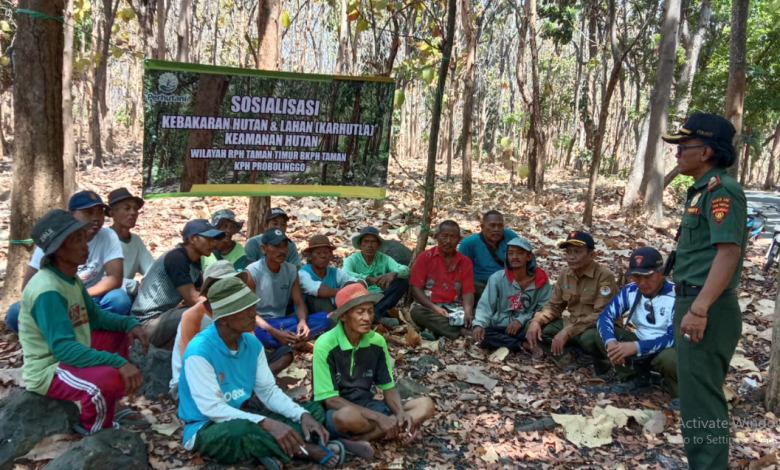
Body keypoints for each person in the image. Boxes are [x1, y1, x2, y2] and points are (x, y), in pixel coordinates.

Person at [177, 277, 345, 469]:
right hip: (206, 426)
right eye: (245, 309)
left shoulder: (252, 344)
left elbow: (268, 391)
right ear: (224, 318)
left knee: (313, 410)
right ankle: (306, 450)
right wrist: (267, 423)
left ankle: (267, 450)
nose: (253, 314)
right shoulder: (200, 351)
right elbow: (213, 409)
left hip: (245, 413)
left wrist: (301, 414)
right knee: (240, 430)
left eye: (252, 306)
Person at [662, 113, 747, 469]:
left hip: (706, 307)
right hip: (693, 300)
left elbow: (728, 254)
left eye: (685, 146)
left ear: (708, 151)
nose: (678, 153)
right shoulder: (700, 190)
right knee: (695, 396)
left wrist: (699, 309)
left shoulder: (722, 189)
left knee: (701, 400)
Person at [18, 209, 149, 435]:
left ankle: (111, 404)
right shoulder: (48, 289)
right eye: (76, 240)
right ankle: (96, 431)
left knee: (117, 333)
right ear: (58, 250)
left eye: (83, 237)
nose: (85, 245)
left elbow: (95, 316)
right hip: (49, 368)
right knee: (107, 378)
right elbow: (63, 349)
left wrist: (129, 323)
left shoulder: (70, 277)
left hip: (67, 354)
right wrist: (116, 362)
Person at [313, 283, 436, 448]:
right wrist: (379, 418)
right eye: (359, 312)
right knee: (346, 417)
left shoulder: (377, 341)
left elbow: (388, 387)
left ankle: (367, 437)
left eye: (370, 311)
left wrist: (399, 414)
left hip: (367, 404)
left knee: (425, 405)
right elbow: (331, 401)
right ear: (343, 316)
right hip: (339, 410)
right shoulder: (325, 344)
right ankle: (387, 429)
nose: (367, 317)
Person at [5, 190, 130, 332]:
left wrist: (79, 296)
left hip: (90, 298)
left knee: (119, 300)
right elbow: (29, 283)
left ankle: (77, 329)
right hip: (57, 300)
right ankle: (70, 329)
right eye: (88, 212)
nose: (96, 218)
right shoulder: (54, 239)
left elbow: (114, 278)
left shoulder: (107, 235)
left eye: (100, 212)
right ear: (71, 214)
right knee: (15, 313)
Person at [169, 260, 293, 399]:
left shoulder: (239, 311)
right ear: (210, 290)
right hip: (196, 378)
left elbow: (250, 345)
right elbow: (189, 362)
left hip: (233, 370)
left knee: (284, 355)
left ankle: (248, 390)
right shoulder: (192, 316)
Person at [595, 247, 678, 408]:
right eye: (636, 277)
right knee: (601, 336)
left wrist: (636, 347)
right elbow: (605, 316)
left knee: (669, 358)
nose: (641, 282)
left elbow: (674, 338)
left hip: (666, 349)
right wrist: (611, 342)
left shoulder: (676, 295)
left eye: (647, 276)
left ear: (660, 272)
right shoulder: (630, 290)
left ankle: (680, 394)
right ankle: (635, 379)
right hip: (640, 343)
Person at [525, 231, 617, 373]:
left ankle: (603, 366)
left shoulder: (605, 277)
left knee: (589, 338)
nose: (571, 257)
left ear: (592, 255)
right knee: (536, 328)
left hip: (597, 327)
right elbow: (554, 305)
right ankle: (572, 356)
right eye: (568, 252)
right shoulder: (565, 274)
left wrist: (568, 331)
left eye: (578, 252)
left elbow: (601, 315)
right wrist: (536, 321)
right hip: (574, 323)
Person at [131, 219, 225, 349]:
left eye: (214, 239)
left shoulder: (194, 262)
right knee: (201, 313)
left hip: (165, 318)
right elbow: (193, 299)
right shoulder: (176, 258)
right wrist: (226, 306)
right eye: (208, 238)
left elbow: (201, 292)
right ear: (192, 238)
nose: (213, 243)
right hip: (147, 323)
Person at [246, 229, 331, 350]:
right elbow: (249, 312)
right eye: (276, 246)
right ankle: (294, 341)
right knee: (257, 335)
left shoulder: (291, 271)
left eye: (284, 246)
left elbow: (299, 303)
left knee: (324, 318)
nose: (281, 251)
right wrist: (276, 332)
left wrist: (302, 322)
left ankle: (290, 341)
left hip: (284, 321)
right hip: (261, 323)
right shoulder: (252, 272)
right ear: (264, 248)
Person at [472, 238, 552, 353]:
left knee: (544, 330)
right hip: (501, 325)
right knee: (486, 334)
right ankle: (523, 345)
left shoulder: (541, 280)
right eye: (511, 253)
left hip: (526, 326)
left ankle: (513, 342)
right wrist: (479, 324)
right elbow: (486, 305)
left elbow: (544, 309)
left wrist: (520, 320)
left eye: (520, 253)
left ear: (529, 256)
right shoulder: (497, 278)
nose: (514, 257)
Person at [409, 220, 475, 340]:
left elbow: (468, 290)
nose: (448, 241)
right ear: (436, 237)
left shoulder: (465, 262)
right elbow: (416, 288)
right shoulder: (425, 257)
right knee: (417, 312)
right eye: (444, 236)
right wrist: (434, 308)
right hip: (429, 306)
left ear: (459, 239)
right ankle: (460, 331)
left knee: (474, 314)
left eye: (453, 237)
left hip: (455, 307)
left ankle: (435, 329)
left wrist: (468, 311)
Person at [342, 227, 410, 328]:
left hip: (381, 297)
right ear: (361, 244)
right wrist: (367, 278)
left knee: (402, 280)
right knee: (349, 285)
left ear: (378, 245)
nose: (370, 245)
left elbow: (406, 270)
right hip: (360, 298)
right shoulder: (352, 260)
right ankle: (378, 317)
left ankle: (373, 316)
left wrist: (393, 273)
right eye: (366, 241)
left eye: (373, 242)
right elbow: (344, 274)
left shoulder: (384, 258)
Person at [457, 210, 519, 301]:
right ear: (482, 227)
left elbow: (525, 258)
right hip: (481, 284)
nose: (496, 229)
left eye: (500, 226)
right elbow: (461, 273)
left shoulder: (510, 236)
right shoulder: (469, 243)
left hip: (507, 281)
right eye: (492, 225)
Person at [107, 188, 154, 298]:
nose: (133, 213)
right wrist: (135, 286)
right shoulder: (104, 238)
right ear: (112, 213)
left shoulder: (136, 240)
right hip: (108, 295)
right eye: (127, 208)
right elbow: (102, 279)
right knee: (119, 299)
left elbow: (151, 269)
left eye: (135, 208)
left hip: (128, 293)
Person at [298, 235, 361, 314]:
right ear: (310, 256)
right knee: (321, 298)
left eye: (326, 252)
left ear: (331, 255)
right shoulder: (303, 273)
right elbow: (320, 290)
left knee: (352, 284)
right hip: (311, 315)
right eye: (318, 253)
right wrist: (348, 291)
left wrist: (356, 287)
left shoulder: (335, 272)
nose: (323, 256)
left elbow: (358, 282)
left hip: (333, 309)